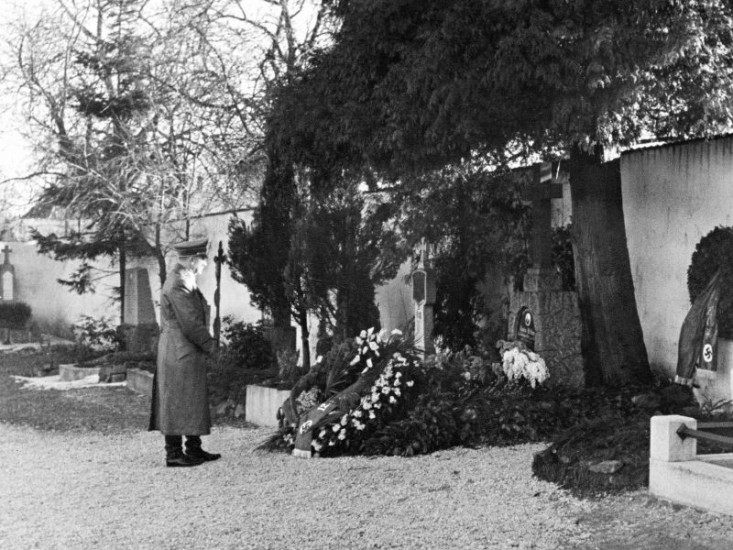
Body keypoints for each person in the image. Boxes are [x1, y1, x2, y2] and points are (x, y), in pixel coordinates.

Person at [148, 237, 221, 467]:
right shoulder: (179, 282)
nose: (205, 263)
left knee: (190, 399)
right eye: (202, 259)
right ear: (191, 260)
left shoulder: (183, 279)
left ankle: (193, 449)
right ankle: (173, 454)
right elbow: (190, 323)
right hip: (179, 349)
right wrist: (211, 345)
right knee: (176, 400)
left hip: (182, 349)